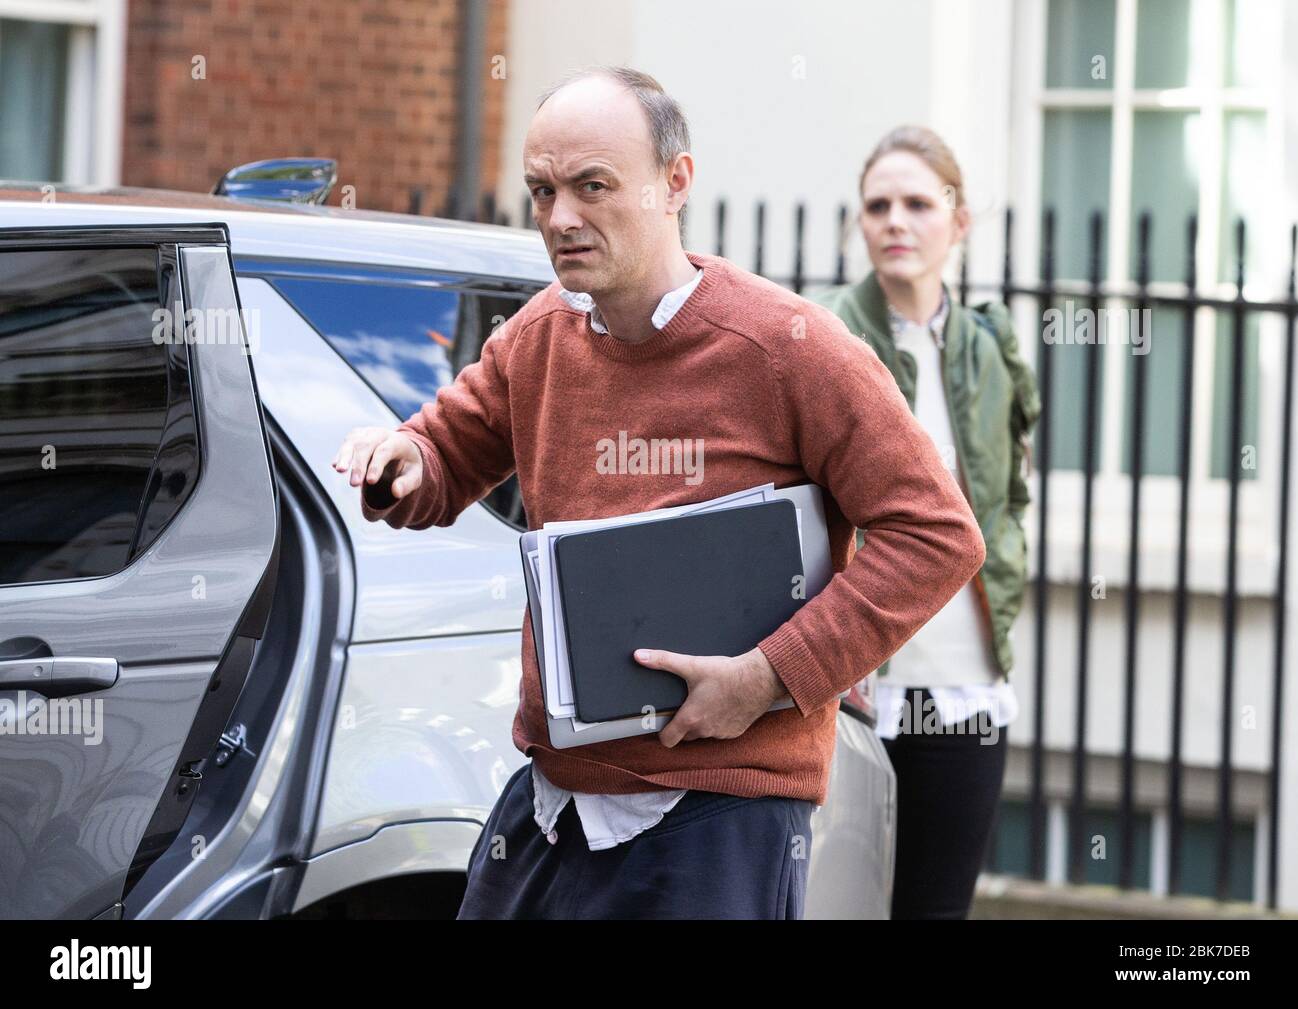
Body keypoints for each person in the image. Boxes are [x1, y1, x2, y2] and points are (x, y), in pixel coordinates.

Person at [331, 71, 986, 920]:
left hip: (721, 813)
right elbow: (444, 454)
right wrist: (404, 461)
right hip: (555, 797)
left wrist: (767, 676)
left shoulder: (791, 347)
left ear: (675, 182)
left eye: (592, 186)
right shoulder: (536, 337)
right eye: (542, 191)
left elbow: (937, 536)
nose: (561, 217)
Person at [809, 125, 1042, 919]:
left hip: (966, 688)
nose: (895, 221)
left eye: (918, 203)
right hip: (855, 691)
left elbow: (1007, 501)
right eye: (877, 206)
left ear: (960, 222)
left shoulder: (989, 348)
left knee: (935, 911)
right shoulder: (824, 337)